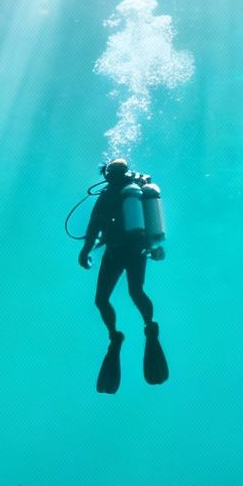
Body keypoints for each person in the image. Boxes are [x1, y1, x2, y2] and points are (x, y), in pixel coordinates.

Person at [76, 158, 166, 393]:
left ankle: (115, 337)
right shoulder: (137, 191)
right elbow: (151, 224)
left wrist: (86, 250)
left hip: (115, 251)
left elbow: (95, 225)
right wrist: (155, 246)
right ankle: (150, 327)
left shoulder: (109, 194)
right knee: (136, 291)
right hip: (137, 249)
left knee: (102, 299)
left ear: (107, 175)